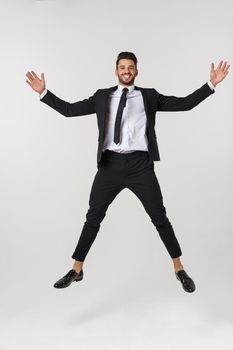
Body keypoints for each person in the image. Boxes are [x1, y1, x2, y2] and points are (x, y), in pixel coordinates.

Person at [26, 52, 230, 293]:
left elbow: (184, 104)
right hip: (109, 165)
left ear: (136, 71)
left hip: (139, 166)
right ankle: (77, 268)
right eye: (122, 67)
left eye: (130, 67)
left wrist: (211, 84)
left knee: (159, 216)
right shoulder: (102, 97)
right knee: (93, 217)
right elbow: (70, 110)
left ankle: (179, 268)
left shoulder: (149, 96)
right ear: (116, 71)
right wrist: (43, 93)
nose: (126, 70)